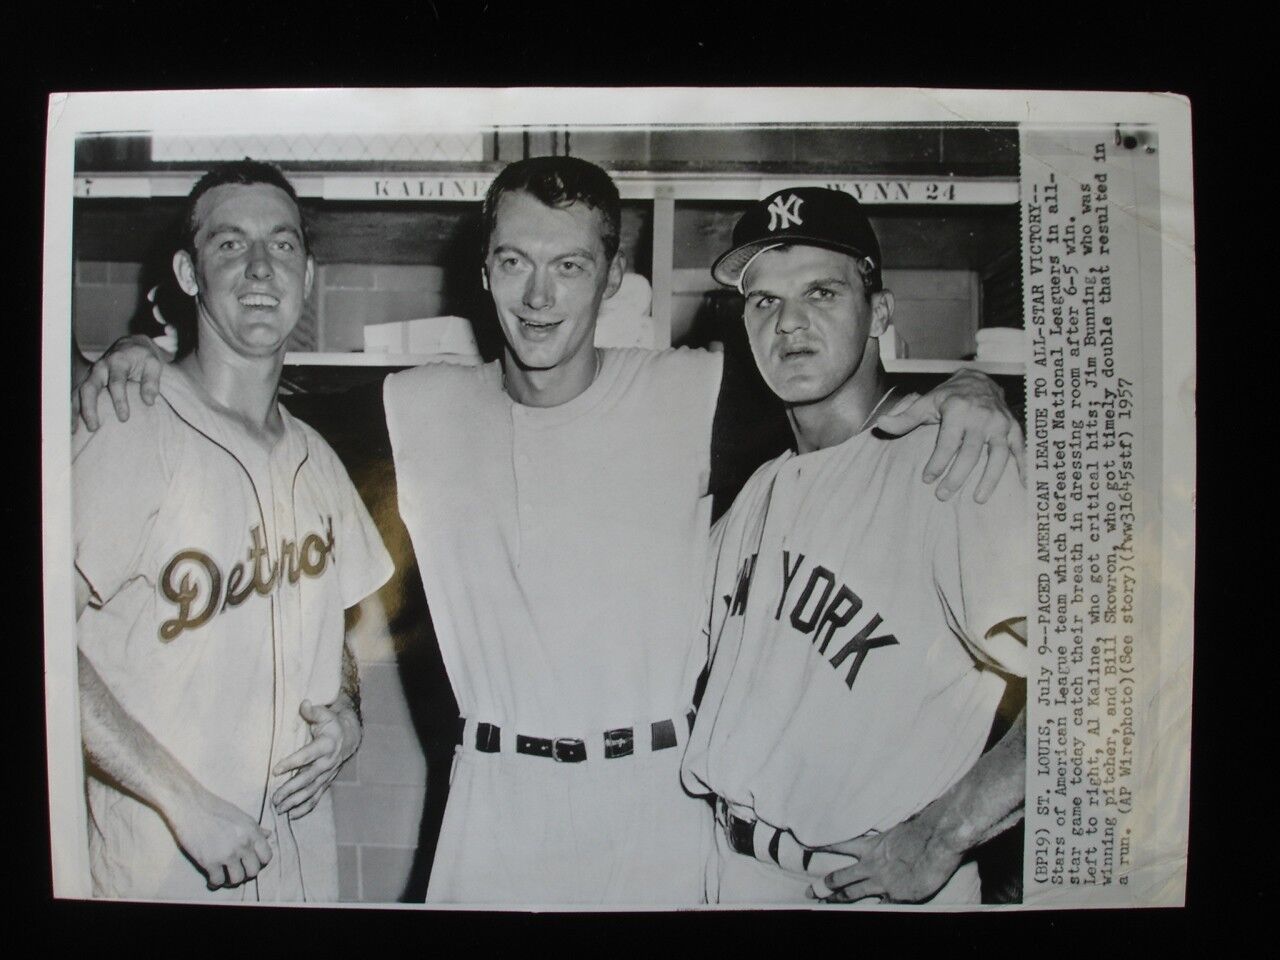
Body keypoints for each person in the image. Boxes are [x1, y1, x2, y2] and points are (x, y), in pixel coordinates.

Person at [75, 156, 1022, 906]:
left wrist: (967, 392)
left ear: (613, 277)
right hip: (493, 800)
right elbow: (255, 383)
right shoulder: (414, 404)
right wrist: (140, 350)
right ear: (482, 271)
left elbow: (835, 397)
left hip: (659, 800)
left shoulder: (699, 392)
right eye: (515, 263)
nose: (538, 297)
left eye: (570, 265)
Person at [681, 187, 1027, 905]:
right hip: (733, 870)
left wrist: (944, 834)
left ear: (881, 314)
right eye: (764, 302)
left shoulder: (951, 466)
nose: (790, 324)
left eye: (821, 293)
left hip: (865, 888)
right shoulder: (760, 490)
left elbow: (1100, 693)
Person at [73, 160, 394, 901]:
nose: (259, 268)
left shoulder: (318, 457)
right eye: (228, 245)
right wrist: (180, 803)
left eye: (282, 247)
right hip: (164, 867)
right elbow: (42, 642)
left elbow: (335, 633)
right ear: (187, 273)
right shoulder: (132, 425)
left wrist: (346, 713)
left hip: (298, 864)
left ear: (308, 275)